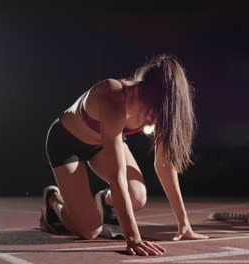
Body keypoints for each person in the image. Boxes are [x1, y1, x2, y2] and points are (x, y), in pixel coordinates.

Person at [42, 54, 208, 256]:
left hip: (101, 144)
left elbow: (165, 164)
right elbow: (116, 176)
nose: (151, 120)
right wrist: (133, 238)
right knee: (89, 230)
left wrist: (184, 224)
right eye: (152, 113)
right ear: (143, 93)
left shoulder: (160, 107)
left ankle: (107, 201)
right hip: (67, 142)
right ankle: (53, 201)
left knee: (138, 197)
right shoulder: (114, 96)